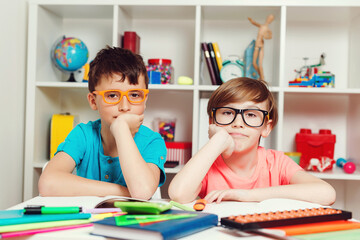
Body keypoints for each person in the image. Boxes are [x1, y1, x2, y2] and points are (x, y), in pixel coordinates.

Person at [168, 77, 336, 205]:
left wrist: (248, 195)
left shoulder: (276, 163)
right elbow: (178, 194)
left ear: (266, 127)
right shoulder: (207, 163)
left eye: (251, 114)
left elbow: (327, 193)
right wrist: (217, 141)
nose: (238, 123)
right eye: (227, 113)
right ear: (212, 122)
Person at [39, 46, 167, 200]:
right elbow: (48, 183)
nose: (124, 107)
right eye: (112, 95)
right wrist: (123, 192)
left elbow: (142, 191)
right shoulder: (83, 135)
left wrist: (121, 129)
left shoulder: (152, 141)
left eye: (134, 95)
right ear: (93, 101)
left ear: (145, 100)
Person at [248, 14, 274, 81]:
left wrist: (265, 36)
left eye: (270, 19)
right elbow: (255, 23)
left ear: (271, 21)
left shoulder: (268, 29)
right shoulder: (262, 26)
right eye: (268, 18)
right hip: (257, 44)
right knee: (254, 63)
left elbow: (269, 37)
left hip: (261, 45)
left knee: (260, 64)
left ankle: (262, 78)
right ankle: (260, 76)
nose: (268, 19)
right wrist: (251, 20)